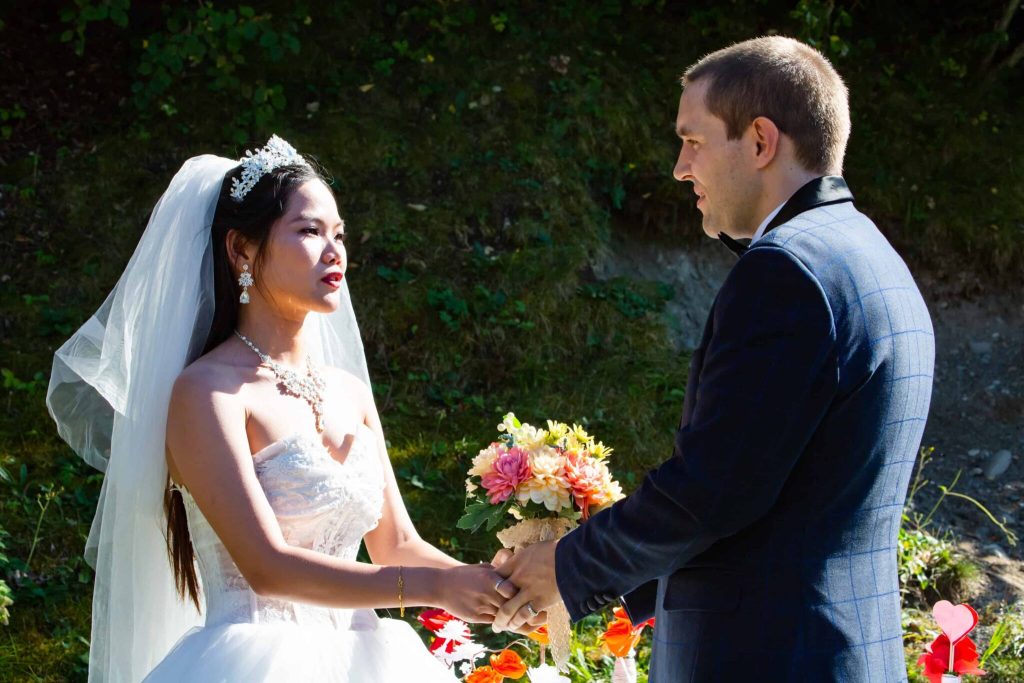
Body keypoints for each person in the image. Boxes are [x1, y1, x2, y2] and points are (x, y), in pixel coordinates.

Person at [491, 36, 935, 682]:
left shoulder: (784, 273)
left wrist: (567, 566)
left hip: (772, 659)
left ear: (760, 141)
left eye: (693, 140)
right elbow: (783, 495)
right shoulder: (872, 256)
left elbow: (715, 490)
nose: (678, 167)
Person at [47, 136, 529, 681]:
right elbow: (266, 567)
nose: (334, 251)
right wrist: (432, 589)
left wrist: (501, 589)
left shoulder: (348, 390)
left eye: (339, 234)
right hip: (251, 661)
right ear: (241, 250)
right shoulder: (208, 393)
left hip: (366, 658)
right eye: (309, 231)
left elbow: (396, 543)